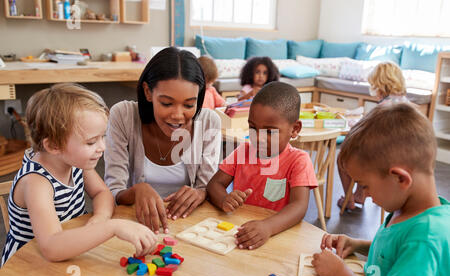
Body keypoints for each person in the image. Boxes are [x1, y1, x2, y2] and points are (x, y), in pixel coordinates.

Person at [1, 83, 157, 267]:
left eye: (103, 136)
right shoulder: (36, 183)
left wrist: (100, 218)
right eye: (91, 142)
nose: (102, 147)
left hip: (68, 252)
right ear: (53, 146)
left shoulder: (74, 161)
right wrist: (111, 227)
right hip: (28, 267)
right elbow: (51, 246)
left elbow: (102, 193)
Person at [312, 103, 450, 276]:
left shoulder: (425, 239)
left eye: (364, 185)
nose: (364, 195)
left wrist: (338, 273)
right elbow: (395, 251)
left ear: (400, 179)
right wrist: (357, 244)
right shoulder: (407, 208)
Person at [104, 47, 222, 234]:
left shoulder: (209, 122)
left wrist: (201, 192)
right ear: (148, 92)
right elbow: (112, 191)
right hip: (134, 226)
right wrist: (136, 190)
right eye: (167, 103)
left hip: (188, 227)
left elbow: (206, 186)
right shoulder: (123, 115)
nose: (177, 115)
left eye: (189, 105)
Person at [207, 82, 317, 250]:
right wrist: (224, 200)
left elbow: (299, 206)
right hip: (240, 232)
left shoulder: (299, 160)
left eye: (269, 131)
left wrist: (268, 227)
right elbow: (214, 184)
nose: (258, 138)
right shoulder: (243, 151)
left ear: (294, 129)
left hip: (277, 236)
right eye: (253, 128)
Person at [338, 61, 410, 211]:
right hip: (401, 159)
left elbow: (361, 132)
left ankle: (349, 198)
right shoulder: (406, 104)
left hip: (381, 161)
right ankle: (360, 195)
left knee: (343, 158)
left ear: (380, 85)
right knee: (363, 151)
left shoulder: (383, 109)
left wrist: (353, 123)